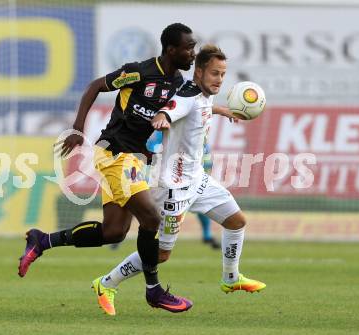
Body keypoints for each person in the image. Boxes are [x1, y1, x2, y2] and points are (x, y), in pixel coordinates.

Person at [17, 23, 197, 315]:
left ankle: (43, 240)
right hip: (114, 153)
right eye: (188, 47)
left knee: (114, 232)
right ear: (171, 49)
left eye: (194, 47)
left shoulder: (178, 85)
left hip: (133, 159)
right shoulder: (139, 71)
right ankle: (154, 291)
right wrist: (78, 129)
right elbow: (95, 86)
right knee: (151, 218)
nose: (192, 52)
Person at [92, 44, 266, 315]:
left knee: (237, 222)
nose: (219, 79)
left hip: (199, 180)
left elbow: (203, 107)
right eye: (214, 74)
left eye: (222, 74)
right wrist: (162, 118)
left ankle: (230, 279)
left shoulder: (203, 94)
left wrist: (225, 111)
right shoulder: (185, 97)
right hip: (174, 189)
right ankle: (106, 283)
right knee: (160, 254)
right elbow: (172, 109)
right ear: (198, 72)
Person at [147, 132, 219, 249]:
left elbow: (206, 157)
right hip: (164, 180)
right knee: (146, 206)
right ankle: (128, 234)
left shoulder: (198, 133)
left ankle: (207, 235)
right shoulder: (165, 130)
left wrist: (205, 173)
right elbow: (151, 148)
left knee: (200, 204)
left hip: (190, 179)